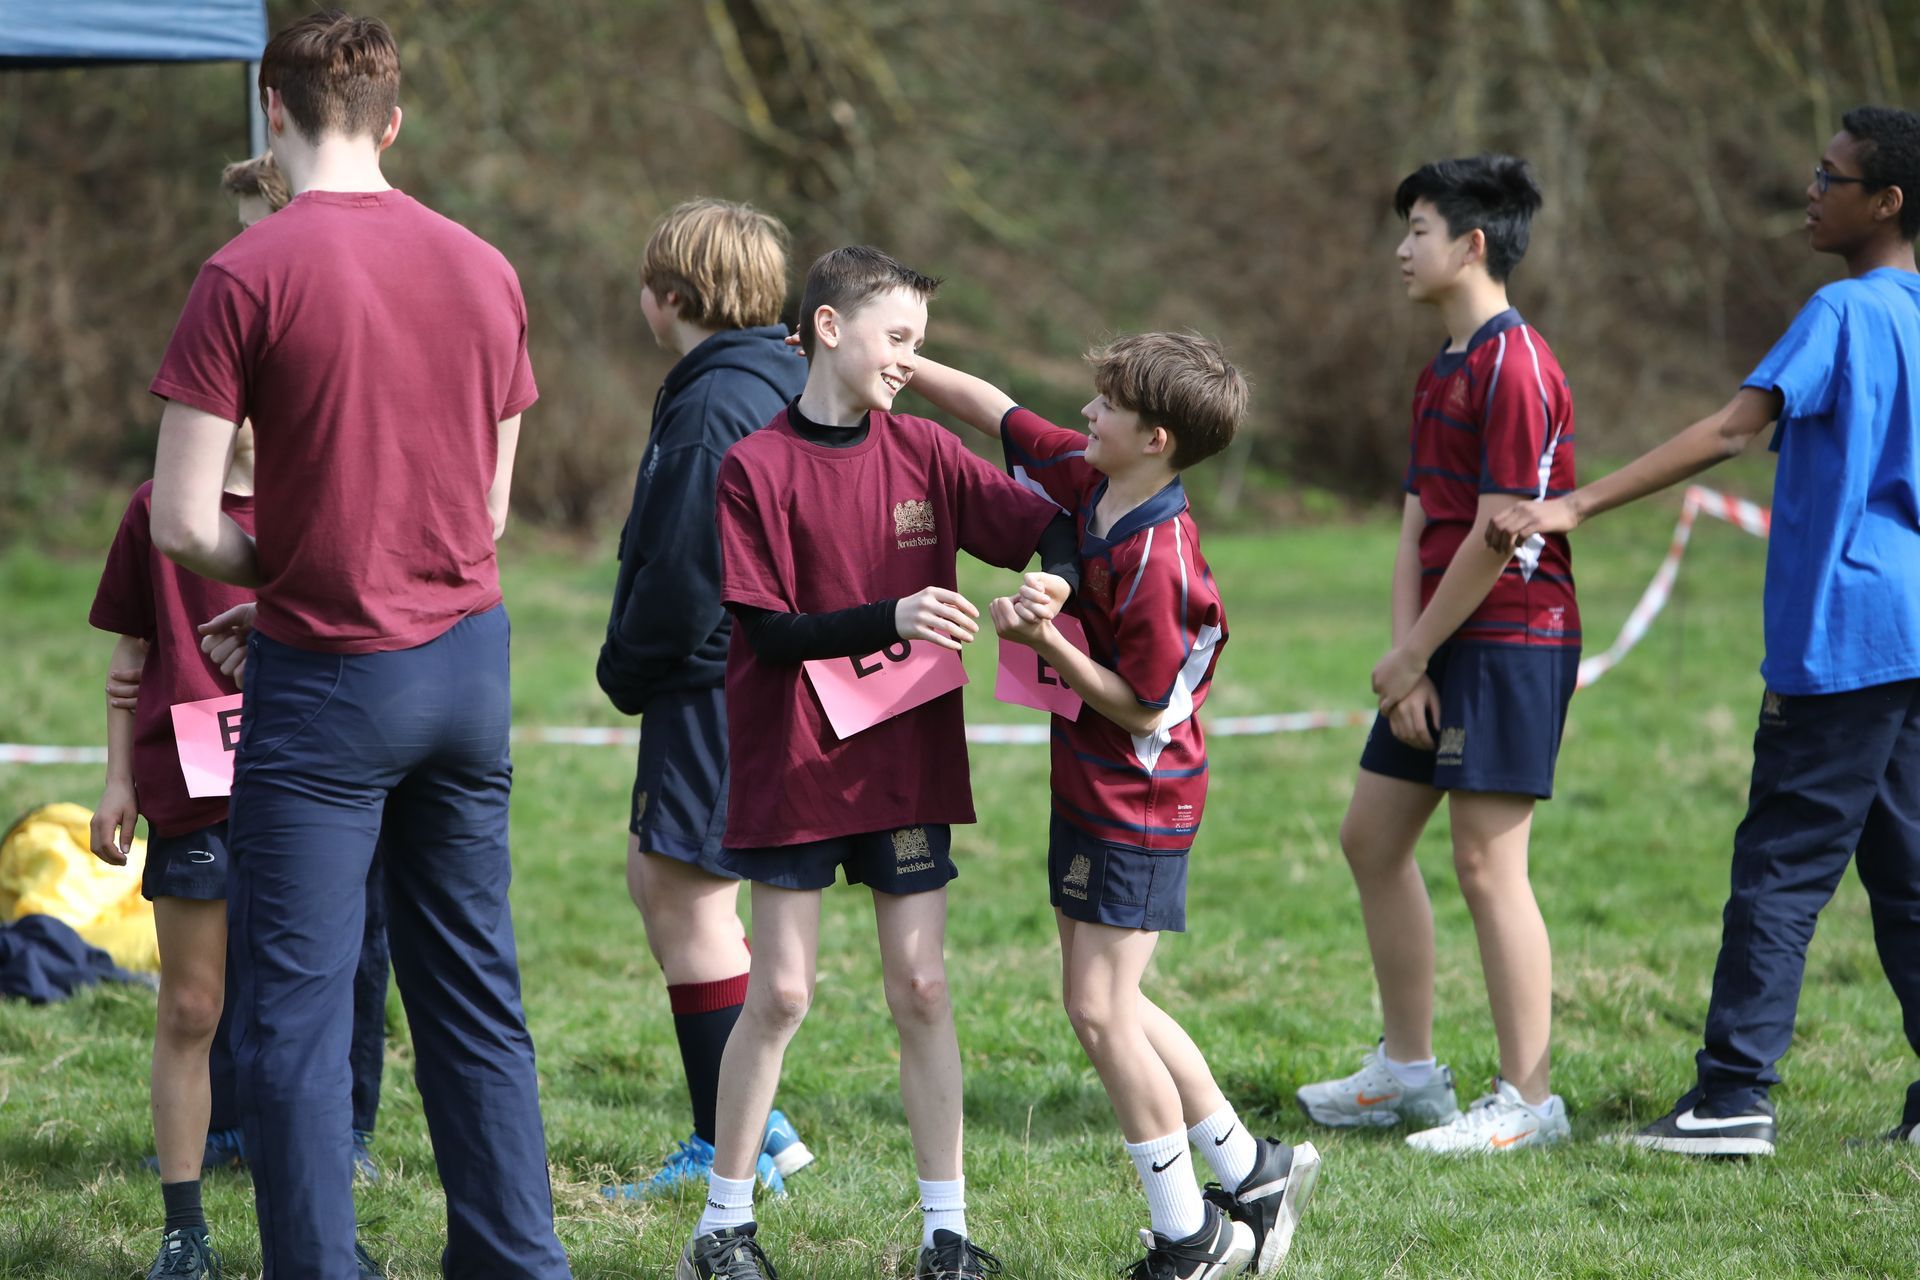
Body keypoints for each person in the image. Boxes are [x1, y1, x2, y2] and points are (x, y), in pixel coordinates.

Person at [145, 11, 569, 1276]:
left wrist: (287, 569)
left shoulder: (246, 272)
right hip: (467, 668)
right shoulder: (486, 265)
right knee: (474, 996)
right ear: (395, 122)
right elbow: (483, 514)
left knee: (298, 1012)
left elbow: (178, 518)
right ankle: (516, 1259)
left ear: (273, 116)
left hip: (329, 679)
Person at [1490, 105, 1920, 1157]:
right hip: (1913, 631)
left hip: (1846, 636)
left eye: (1832, 176)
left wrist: (1576, 506)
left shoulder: (1844, 311)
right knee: (1910, 873)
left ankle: (1731, 1098)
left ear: (1888, 201)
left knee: (1779, 869)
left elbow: (1736, 430)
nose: (1810, 190)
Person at [676, 245, 1077, 1280]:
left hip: (904, 763)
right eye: (897, 339)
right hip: (795, 765)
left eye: (920, 344)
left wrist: (1055, 589)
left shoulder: (930, 455)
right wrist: (891, 613)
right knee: (782, 994)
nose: (909, 361)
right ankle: (722, 1225)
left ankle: (946, 1232)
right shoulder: (752, 466)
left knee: (925, 985)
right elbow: (766, 632)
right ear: (826, 328)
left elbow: (1062, 518)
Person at [910, 336, 1323, 1279]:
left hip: (1140, 798)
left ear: (1156, 439)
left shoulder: (1163, 557)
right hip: (1088, 781)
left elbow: (1141, 702)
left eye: (1105, 404)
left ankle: (1191, 1235)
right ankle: (1249, 1170)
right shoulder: (1091, 475)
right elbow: (992, 406)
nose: (1086, 413)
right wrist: (903, 369)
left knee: (1097, 1009)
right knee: (1113, 999)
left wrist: (1045, 641)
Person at [1295, 154, 1579, 1154]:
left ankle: (1529, 1098)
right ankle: (1410, 1072)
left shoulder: (1516, 364)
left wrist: (1418, 650)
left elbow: (1500, 530)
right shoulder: (1441, 366)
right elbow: (1423, 515)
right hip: (1440, 639)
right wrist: (1406, 652)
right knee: (1372, 835)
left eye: (1417, 228)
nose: (1401, 249)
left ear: (1472, 243)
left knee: (1486, 861)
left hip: (1509, 635)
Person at [594, 198, 812, 1198]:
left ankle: (727, 1144)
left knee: (684, 898)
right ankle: (759, 1124)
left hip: (711, 681)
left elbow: (686, 568)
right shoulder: (778, 373)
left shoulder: (713, 401)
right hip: (750, 678)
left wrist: (625, 668)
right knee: (665, 880)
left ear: (669, 296)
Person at [89, 435, 256, 1280]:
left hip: (311, 789)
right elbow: (128, 659)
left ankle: (317, 1225)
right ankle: (183, 1231)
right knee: (193, 1007)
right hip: (192, 797)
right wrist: (118, 780)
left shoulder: (322, 499)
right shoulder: (156, 508)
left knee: (299, 1014)